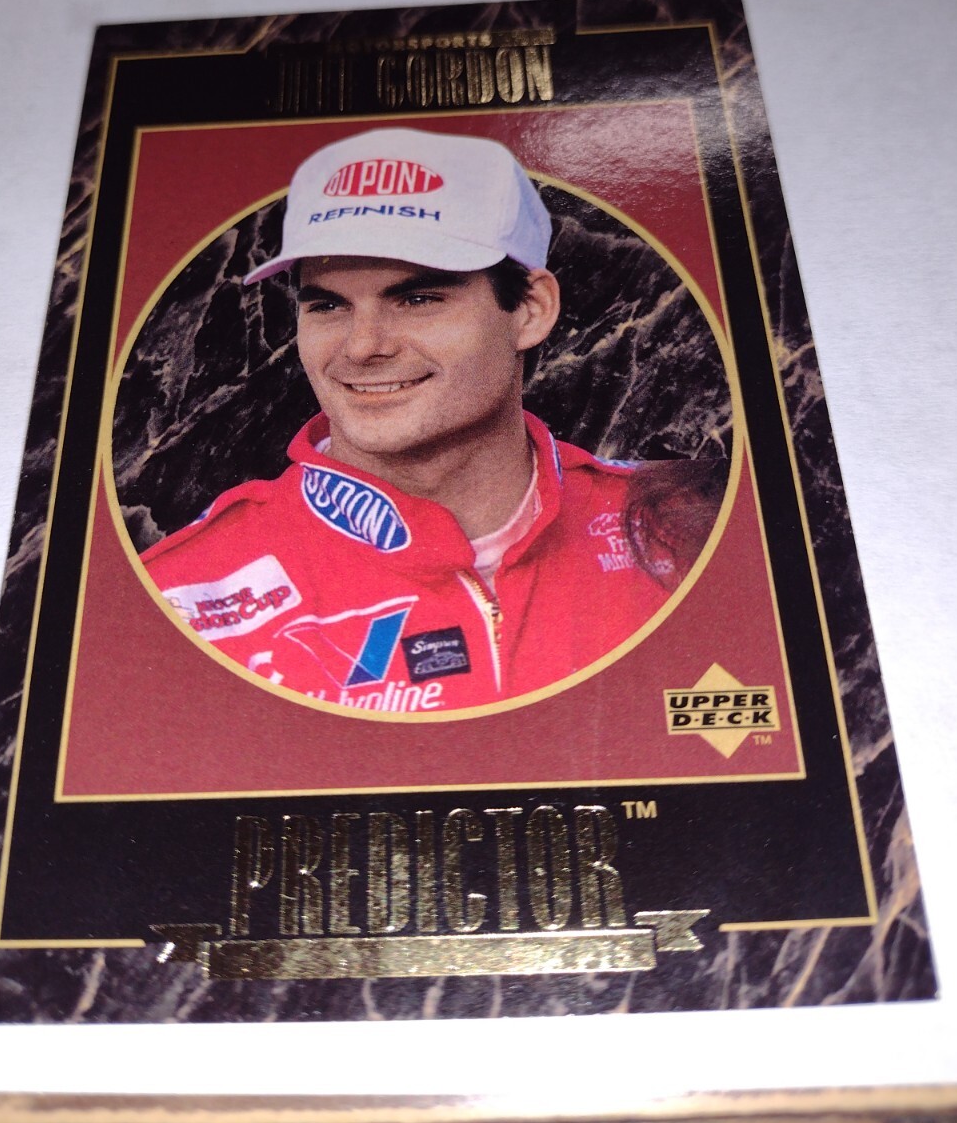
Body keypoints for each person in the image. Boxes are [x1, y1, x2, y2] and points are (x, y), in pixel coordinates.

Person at [141, 127, 720, 713]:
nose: (363, 346)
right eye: (328, 305)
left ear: (529, 310)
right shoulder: (180, 596)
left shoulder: (689, 529)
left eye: (418, 300)